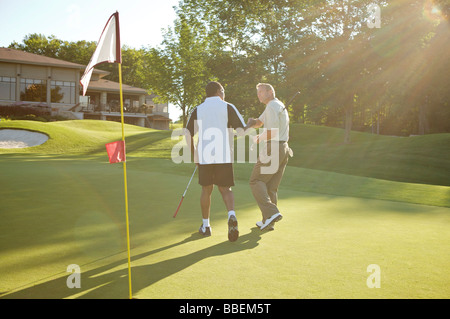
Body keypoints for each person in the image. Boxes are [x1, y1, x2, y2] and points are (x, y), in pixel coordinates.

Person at [186, 81, 246, 242]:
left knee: (206, 190)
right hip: (224, 155)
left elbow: (187, 133)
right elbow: (241, 131)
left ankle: (206, 226)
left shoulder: (198, 109)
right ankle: (231, 215)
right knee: (226, 189)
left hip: (204, 156)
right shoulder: (227, 106)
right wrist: (252, 123)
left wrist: (194, 155)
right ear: (220, 91)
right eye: (223, 91)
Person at [246, 83, 292, 231]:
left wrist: (259, 138)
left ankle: (272, 213)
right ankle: (268, 221)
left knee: (256, 180)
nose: (258, 95)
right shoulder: (276, 105)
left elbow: (272, 132)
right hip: (284, 148)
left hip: (274, 147)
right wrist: (248, 124)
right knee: (271, 187)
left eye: (261, 92)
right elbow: (259, 122)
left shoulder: (272, 106)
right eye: (257, 92)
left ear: (270, 92)